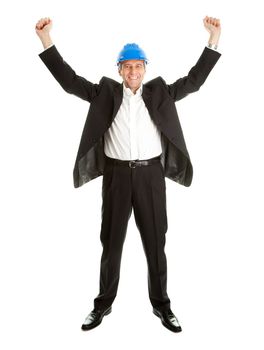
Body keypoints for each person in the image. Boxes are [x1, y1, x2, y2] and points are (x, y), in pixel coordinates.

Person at [35, 16, 221, 333]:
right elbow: (68, 82)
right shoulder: (105, 93)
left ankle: (162, 306)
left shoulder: (160, 92)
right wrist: (46, 39)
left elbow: (194, 81)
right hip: (117, 178)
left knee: (155, 245)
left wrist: (213, 40)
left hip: (151, 178)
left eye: (138, 66)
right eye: (127, 66)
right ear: (119, 70)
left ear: (145, 68)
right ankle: (102, 305)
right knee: (111, 244)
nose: (133, 72)